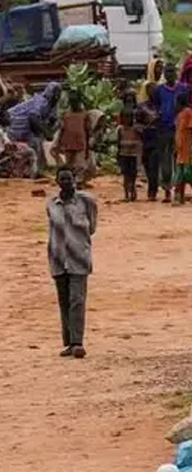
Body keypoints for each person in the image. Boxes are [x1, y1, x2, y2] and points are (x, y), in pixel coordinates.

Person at [47, 166, 96, 359]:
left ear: (74, 180)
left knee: (77, 300)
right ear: (57, 181)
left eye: (69, 179)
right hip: (58, 258)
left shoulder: (87, 201)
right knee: (64, 302)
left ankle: (77, 342)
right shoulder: (51, 203)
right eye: (63, 179)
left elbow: (91, 227)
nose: (66, 182)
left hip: (79, 258)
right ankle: (68, 342)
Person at [7, 81, 60, 176]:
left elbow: (53, 118)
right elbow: (33, 116)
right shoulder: (41, 101)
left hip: (27, 127)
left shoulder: (52, 104)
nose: (57, 95)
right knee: (33, 145)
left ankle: (36, 170)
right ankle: (33, 172)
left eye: (59, 92)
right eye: (55, 92)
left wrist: (51, 127)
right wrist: (46, 131)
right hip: (18, 124)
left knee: (35, 144)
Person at [154, 66, 187, 202]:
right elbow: (156, 107)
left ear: (176, 73)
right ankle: (167, 190)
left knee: (180, 161)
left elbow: (187, 106)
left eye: (172, 71)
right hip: (164, 129)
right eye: (167, 72)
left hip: (180, 129)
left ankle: (179, 191)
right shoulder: (159, 90)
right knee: (166, 161)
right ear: (164, 74)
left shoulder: (183, 88)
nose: (170, 74)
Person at [55, 96, 92, 182]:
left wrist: (87, 146)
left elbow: (88, 131)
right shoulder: (66, 115)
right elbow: (62, 130)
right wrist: (58, 143)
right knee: (69, 165)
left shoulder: (85, 115)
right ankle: (70, 181)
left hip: (80, 143)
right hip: (68, 143)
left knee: (80, 165)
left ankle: (78, 182)